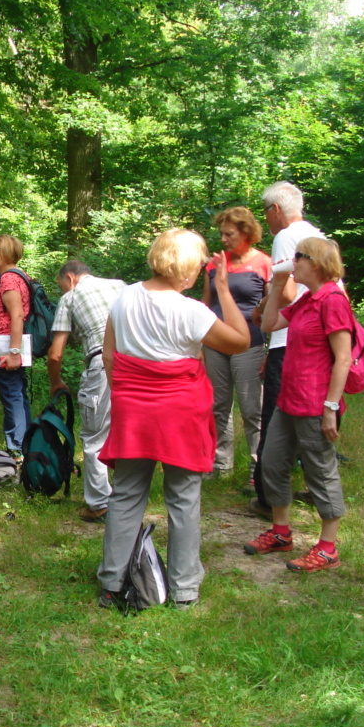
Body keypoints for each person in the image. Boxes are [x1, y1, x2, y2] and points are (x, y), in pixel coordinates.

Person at [97, 229, 250, 609]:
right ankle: (184, 590)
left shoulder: (124, 298)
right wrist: (225, 291)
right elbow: (241, 341)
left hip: (135, 408)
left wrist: (126, 396)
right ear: (186, 267)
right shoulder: (191, 310)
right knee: (183, 497)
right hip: (181, 411)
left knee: (127, 494)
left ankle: (112, 582)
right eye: (199, 265)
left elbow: (109, 356)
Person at [244, 238, 351, 572]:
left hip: (315, 403)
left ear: (315, 262)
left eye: (298, 257)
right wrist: (276, 286)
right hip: (288, 399)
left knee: (320, 470)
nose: (293, 261)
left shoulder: (332, 300)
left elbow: (344, 358)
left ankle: (328, 548)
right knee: (273, 463)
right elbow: (268, 324)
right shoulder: (308, 299)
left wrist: (331, 407)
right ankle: (281, 533)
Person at [250, 182, 326, 518]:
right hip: (318, 343)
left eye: (265, 212)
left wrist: (263, 305)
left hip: (292, 341)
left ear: (275, 210)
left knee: (276, 419)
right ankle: (315, 486)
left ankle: (268, 497)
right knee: (310, 417)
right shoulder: (316, 235)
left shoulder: (286, 236)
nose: (266, 220)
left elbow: (288, 290)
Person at [47, 260, 126, 522]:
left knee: (94, 435)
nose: (62, 291)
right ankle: (129, 496)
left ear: (70, 278)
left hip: (103, 363)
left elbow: (56, 353)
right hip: (138, 364)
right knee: (126, 431)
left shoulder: (70, 297)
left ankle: (99, 504)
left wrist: (55, 382)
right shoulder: (120, 286)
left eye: (61, 286)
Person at [202, 207, 272, 487]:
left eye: (229, 234)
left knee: (251, 407)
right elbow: (206, 305)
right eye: (221, 233)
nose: (223, 239)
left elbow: (273, 307)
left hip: (249, 343)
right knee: (218, 405)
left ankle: (257, 468)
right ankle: (221, 466)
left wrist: (270, 347)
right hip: (215, 342)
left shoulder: (264, 263)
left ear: (246, 233)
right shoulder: (214, 264)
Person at [0, 234, 32, 460]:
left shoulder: (9, 280)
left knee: (12, 397)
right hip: (7, 348)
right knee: (17, 395)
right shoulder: (16, 277)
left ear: (8, 253)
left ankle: (17, 450)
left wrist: (14, 353)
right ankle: (24, 446)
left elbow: (17, 316)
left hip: (7, 350)